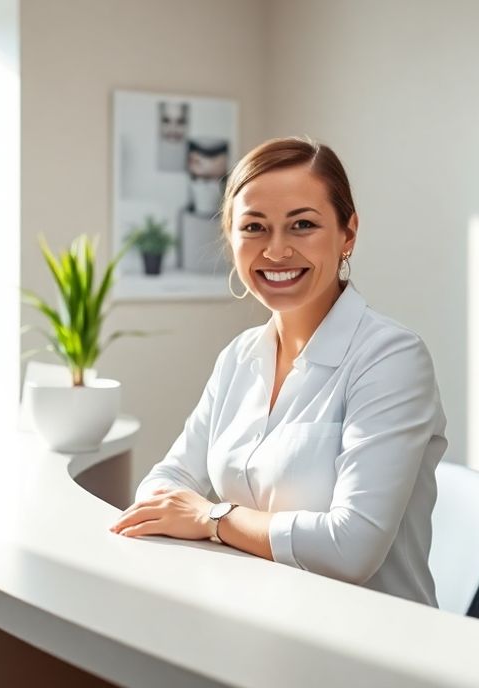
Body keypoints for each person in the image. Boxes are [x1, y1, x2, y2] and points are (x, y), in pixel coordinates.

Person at [109, 137, 448, 607]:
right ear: (231, 238)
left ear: (348, 233)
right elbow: (165, 485)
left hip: (369, 643)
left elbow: (351, 549)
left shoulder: (391, 358)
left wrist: (213, 518)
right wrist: (198, 514)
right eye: (254, 227)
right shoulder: (239, 356)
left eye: (303, 225)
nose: (276, 250)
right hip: (255, 614)